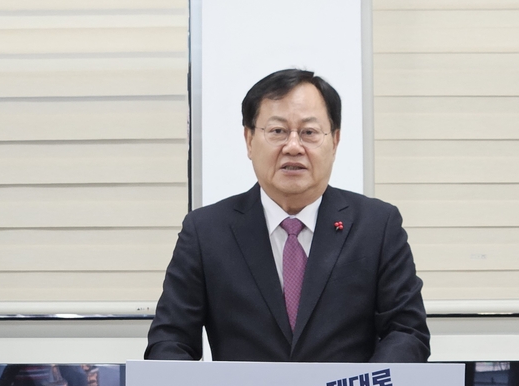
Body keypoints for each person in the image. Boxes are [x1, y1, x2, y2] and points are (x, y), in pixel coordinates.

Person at [145, 68, 429, 363]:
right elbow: (170, 340)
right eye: (278, 131)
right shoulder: (206, 232)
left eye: (309, 132)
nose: (293, 147)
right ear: (249, 140)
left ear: (335, 141)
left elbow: (407, 332)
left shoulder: (377, 226)